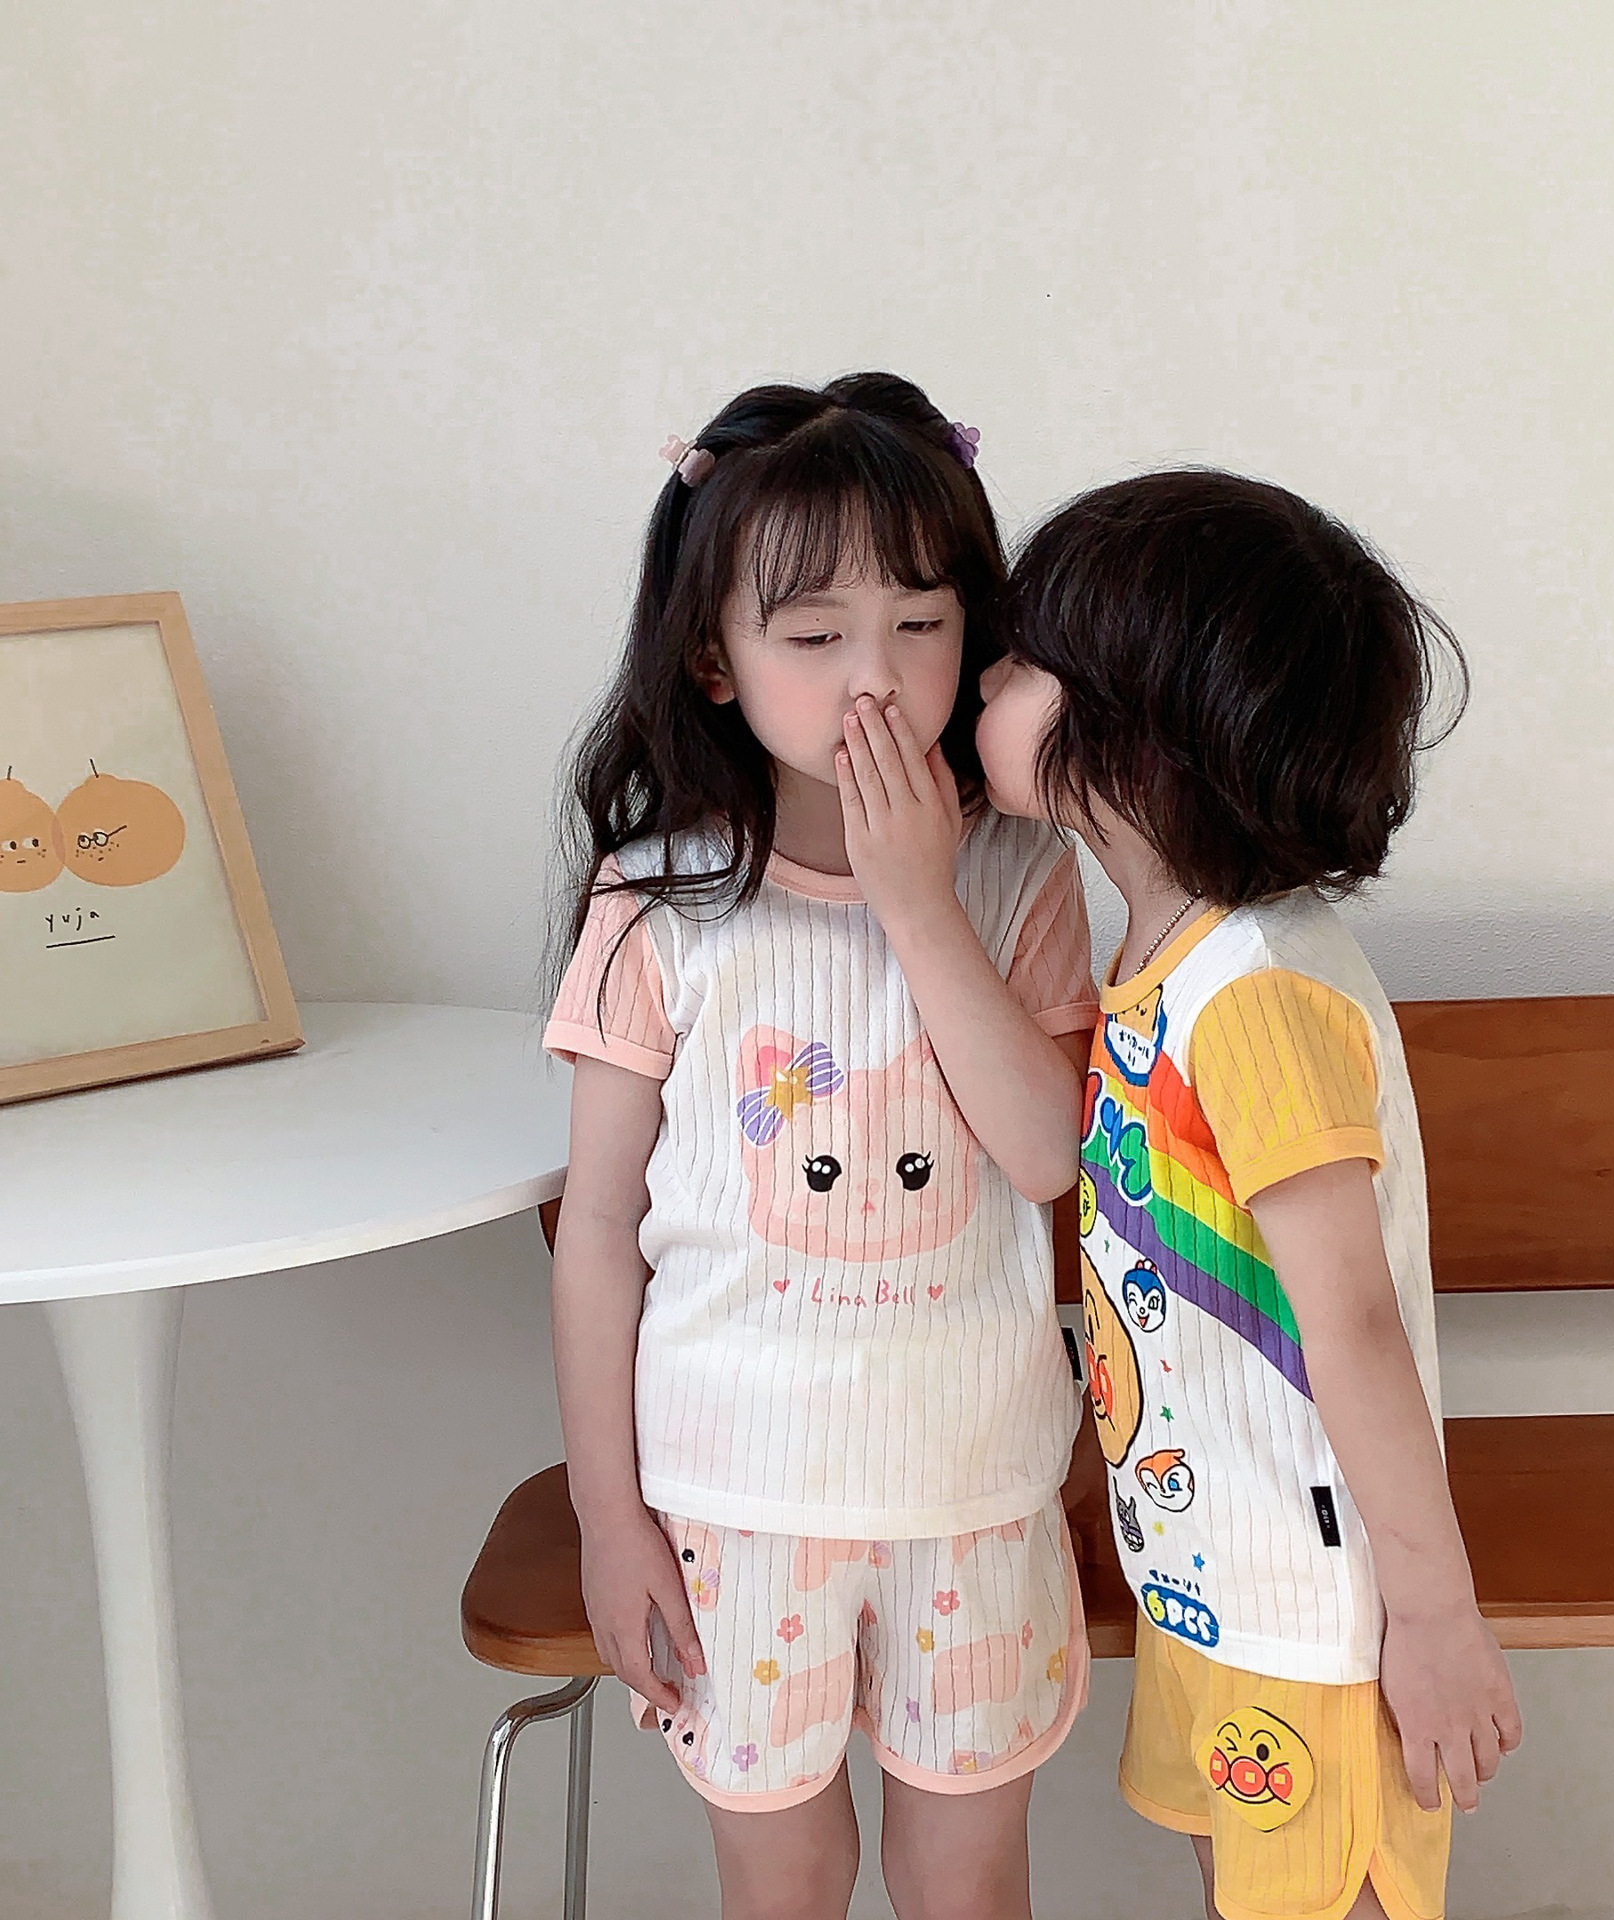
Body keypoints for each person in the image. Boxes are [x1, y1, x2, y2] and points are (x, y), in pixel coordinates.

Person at [543, 374, 1097, 1920]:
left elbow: (1049, 1158)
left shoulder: (1019, 874)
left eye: (920, 623)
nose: (877, 677)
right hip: (733, 1496)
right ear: (713, 660)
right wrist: (608, 1518)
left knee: (967, 1886)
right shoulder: (657, 899)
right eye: (813, 634)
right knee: (781, 1879)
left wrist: (919, 898)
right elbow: (600, 1234)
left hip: (970, 1483)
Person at [976, 470, 1522, 1920]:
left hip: (1313, 1612)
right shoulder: (1171, 959)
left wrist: (1436, 1616)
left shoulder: (1258, 997)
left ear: (1137, 735)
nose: (985, 681)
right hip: (1214, 1571)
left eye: (1023, 663)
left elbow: (1353, 1329)